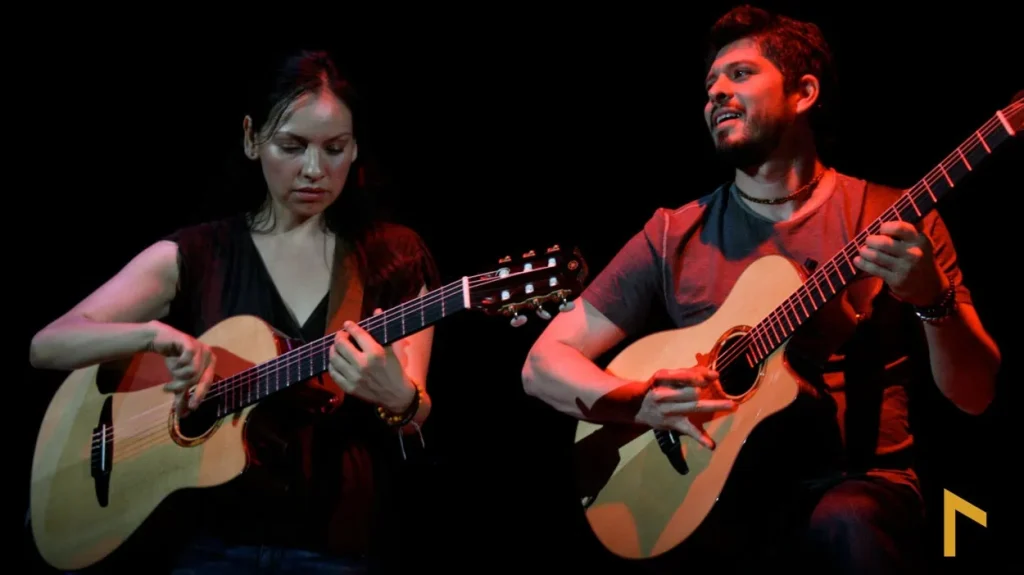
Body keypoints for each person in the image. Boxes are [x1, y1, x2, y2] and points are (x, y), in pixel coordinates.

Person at [521, 5, 1000, 574]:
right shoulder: (673, 232)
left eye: (741, 74)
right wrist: (641, 401)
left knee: (847, 523)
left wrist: (933, 299)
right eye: (710, 85)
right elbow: (543, 363)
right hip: (714, 494)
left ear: (804, 93)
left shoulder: (893, 218)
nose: (716, 93)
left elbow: (976, 395)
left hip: (853, 487)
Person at [29, 49, 440, 574]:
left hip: (334, 546)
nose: (314, 169)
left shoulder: (394, 257)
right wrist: (151, 337)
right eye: (292, 146)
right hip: (207, 546)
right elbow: (48, 344)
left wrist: (400, 397)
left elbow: (412, 417)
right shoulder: (201, 254)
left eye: (335, 149)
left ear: (355, 147)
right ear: (252, 138)